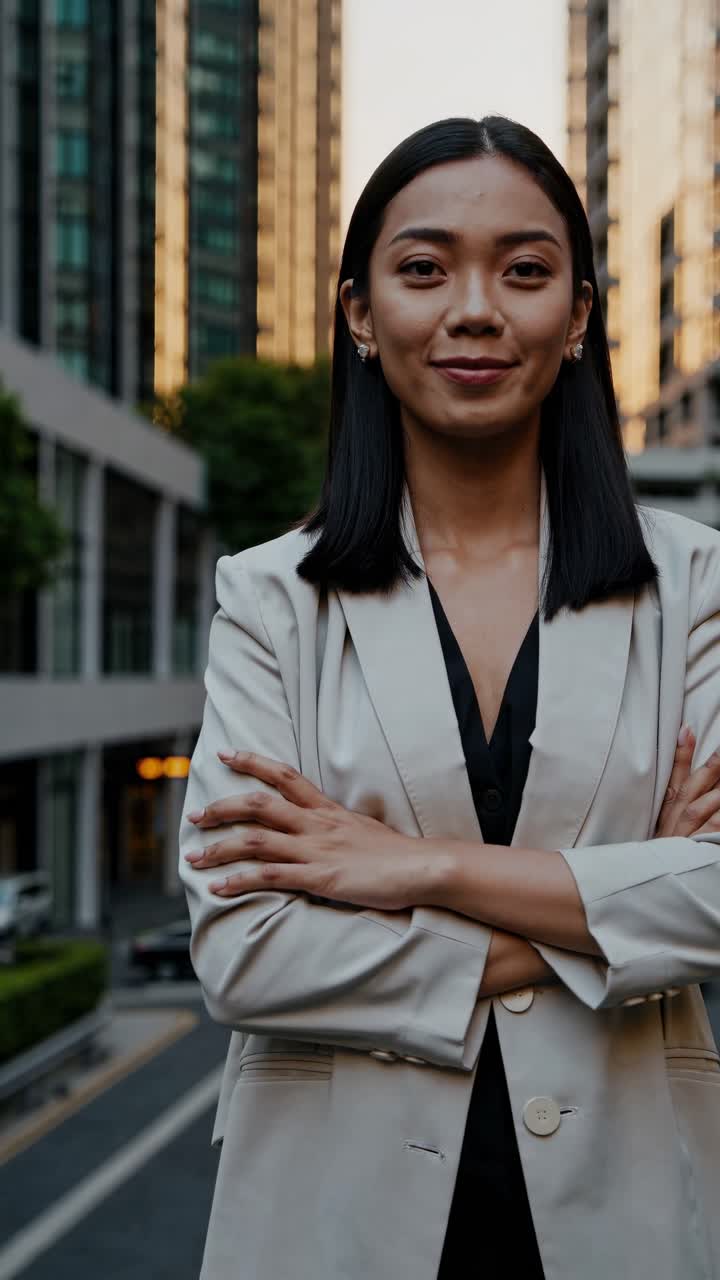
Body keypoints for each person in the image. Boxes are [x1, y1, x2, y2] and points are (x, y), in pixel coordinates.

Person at [179, 116, 720, 1280]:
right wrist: (621, 897)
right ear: (361, 313)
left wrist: (409, 867)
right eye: (423, 269)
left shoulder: (695, 581)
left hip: (628, 1215)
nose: (475, 308)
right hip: (327, 1227)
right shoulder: (269, 598)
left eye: (525, 271)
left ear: (579, 314)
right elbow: (245, 952)